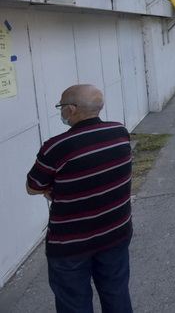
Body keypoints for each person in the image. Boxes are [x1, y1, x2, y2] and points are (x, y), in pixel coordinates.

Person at [26, 84, 133, 312]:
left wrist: (53, 187)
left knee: (74, 303)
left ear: (72, 109)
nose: (61, 112)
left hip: (71, 245)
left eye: (61, 106)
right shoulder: (119, 131)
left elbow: (33, 187)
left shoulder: (56, 147)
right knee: (116, 293)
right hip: (115, 231)